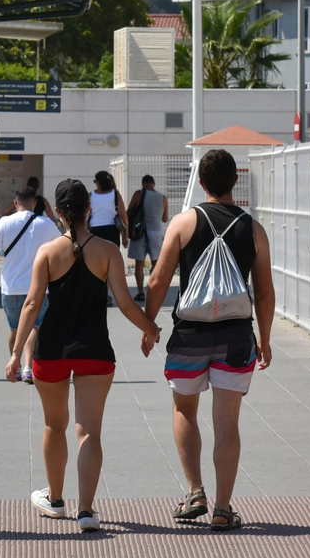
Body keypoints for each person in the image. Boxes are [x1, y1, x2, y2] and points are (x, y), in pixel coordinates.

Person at [9, 178, 160, 532]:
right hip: (95, 351)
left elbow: (31, 305)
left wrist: (16, 354)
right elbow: (125, 303)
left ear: (60, 213)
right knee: (89, 432)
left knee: (54, 425)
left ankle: (55, 500)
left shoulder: (48, 253)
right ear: (88, 209)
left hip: (52, 351)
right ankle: (87, 511)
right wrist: (151, 329)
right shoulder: (108, 251)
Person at [144, 148, 276, 532]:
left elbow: (158, 280)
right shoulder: (254, 230)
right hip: (236, 337)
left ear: (201, 183)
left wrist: (149, 326)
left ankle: (194, 492)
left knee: (185, 410)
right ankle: (223, 508)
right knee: (227, 424)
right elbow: (264, 293)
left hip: (189, 335)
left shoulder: (184, 223)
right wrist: (265, 339)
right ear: (236, 180)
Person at [0, 185, 60, 383]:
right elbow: (61, 246)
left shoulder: (5, 222)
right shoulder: (46, 224)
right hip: (38, 287)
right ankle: (28, 367)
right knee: (34, 327)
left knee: (15, 329)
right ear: (35, 203)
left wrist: (3, 250)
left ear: (16, 203)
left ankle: (15, 367)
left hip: (11, 287)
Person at [126, 174, 170, 303]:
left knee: (139, 263)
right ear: (154, 184)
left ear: (143, 183)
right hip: (156, 234)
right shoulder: (163, 198)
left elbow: (129, 212)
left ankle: (140, 292)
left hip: (140, 233)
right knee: (156, 263)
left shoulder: (139, 194)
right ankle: (152, 288)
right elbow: (165, 219)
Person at [89, 171, 127, 247]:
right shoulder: (115, 194)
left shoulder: (91, 195)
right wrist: (125, 235)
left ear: (98, 182)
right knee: (112, 252)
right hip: (112, 229)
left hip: (94, 229)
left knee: (96, 253)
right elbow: (123, 216)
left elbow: (87, 213)